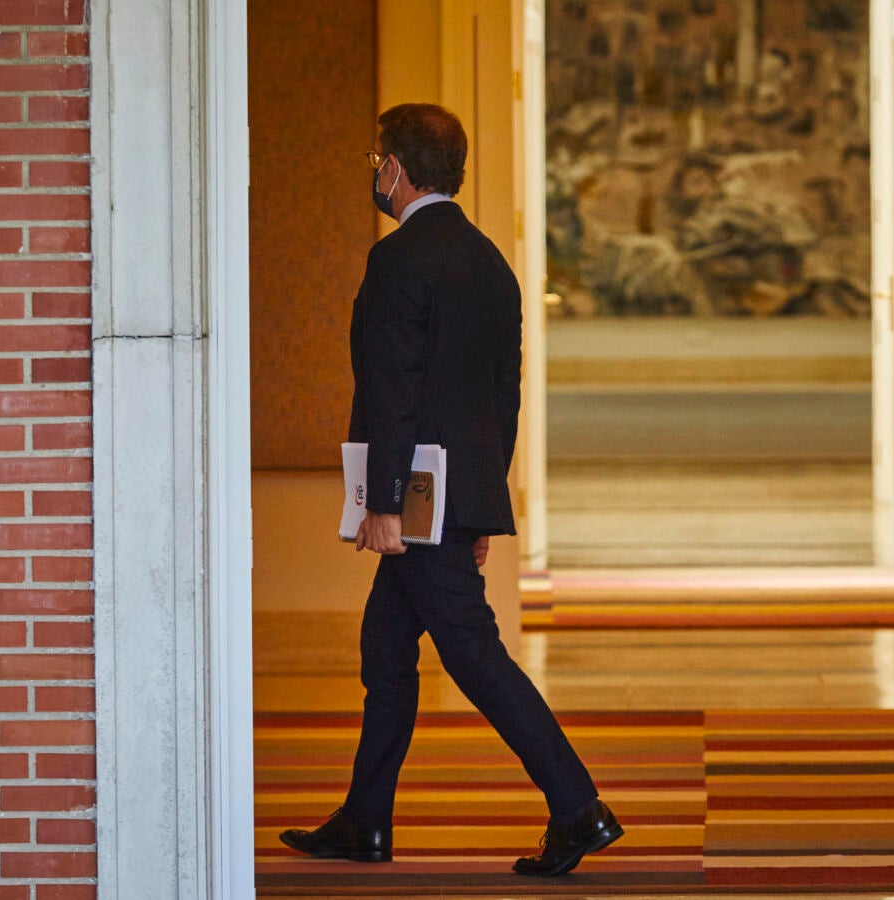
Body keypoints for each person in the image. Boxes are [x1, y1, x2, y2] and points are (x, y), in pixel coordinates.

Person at [277, 103, 622, 877]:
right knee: (386, 647)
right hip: (457, 495)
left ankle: (579, 807)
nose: (376, 174)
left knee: (473, 652)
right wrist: (479, 508)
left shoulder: (399, 259)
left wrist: (385, 504)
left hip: (414, 501)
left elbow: (391, 388)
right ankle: (365, 821)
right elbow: (504, 398)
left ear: (396, 169)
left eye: (378, 161)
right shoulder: (491, 262)